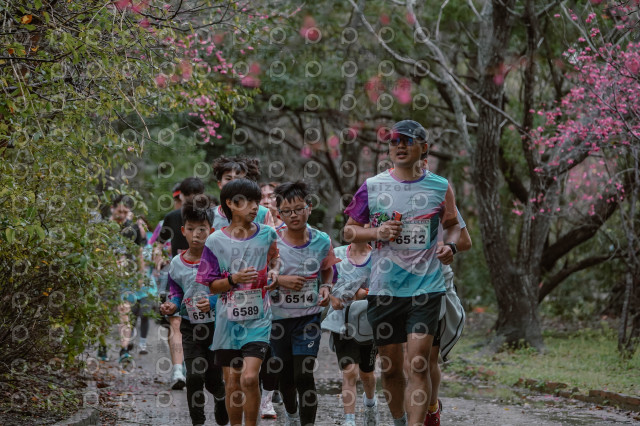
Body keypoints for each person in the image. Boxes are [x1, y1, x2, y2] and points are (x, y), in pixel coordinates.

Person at [343, 119, 461, 426]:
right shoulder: (372, 186)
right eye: (394, 141)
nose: (400, 146)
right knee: (391, 368)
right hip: (384, 290)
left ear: (424, 148)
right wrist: (377, 232)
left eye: (408, 141)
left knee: (418, 364)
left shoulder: (440, 186)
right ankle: (398, 420)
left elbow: (453, 226)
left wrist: (450, 246)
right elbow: (349, 232)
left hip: (426, 288)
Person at [196, 179, 280, 426]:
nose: (255, 207)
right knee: (232, 381)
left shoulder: (267, 234)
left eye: (257, 201)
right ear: (231, 204)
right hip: (227, 321)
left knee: (249, 378)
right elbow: (211, 285)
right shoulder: (214, 241)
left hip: (259, 319)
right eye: (248, 201)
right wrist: (234, 279)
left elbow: (275, 259)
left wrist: (275, 272)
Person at [268, 181, 339, 426]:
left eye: (299, 209)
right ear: (279, 214)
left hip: (308, 318)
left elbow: (328, 269)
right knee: (285, 375)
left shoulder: (322, 240)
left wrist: (326, 286)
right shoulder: (271, 240)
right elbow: (260, 275)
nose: (294, 215)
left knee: (304, 374)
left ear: (309, 207)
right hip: (278, 319)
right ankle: (292, 415)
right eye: (287, 211)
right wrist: (281, 280)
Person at [159, 199, 229, 426]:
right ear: (183, 231)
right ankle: (197, 421)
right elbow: (176, 292)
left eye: (202, 229)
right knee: (194, 376)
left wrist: (213, 301)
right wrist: (172, 305)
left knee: (213, 379)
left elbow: (228, 289)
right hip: (190, 327)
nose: (196, 234)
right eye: (191, 229)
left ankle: (221, 397)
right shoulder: (176, 263)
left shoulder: (219, 260)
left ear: (211, 231)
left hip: (216, 328)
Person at [155, 177, 211, 390]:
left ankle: (199, 366)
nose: (193, 200)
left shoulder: (209, 217)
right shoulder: (172, 217)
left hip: (204, 275)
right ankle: (178, 370)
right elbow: (159, 244)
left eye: (197, 196)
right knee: (176, 321)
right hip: (177, 274)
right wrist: (159, 260)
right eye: (189, 197)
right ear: (182, 196)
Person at [321, 238, 379, 426]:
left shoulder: (377, 257)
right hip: (341, 322)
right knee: (349, 370)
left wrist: (363, 293)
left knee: (367, 373)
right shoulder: (337, 254)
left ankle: (370, 404)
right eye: (352, 224)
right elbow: (326, 282)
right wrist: (332, 298)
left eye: (361, 225)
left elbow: (382, 289)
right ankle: (350, 420)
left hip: (367, 324)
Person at [423, 212, 472, 426]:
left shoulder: (440, 199)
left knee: (427, 359)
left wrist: (445, 248)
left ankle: (431, 408)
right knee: (405, 359)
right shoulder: (387, 197)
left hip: (433, 285)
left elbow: (465, 241)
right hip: (396, 285)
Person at [109, 195, 148, 363]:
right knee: (104, 313)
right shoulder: (104, 228)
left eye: (126, 212)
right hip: (105, 276)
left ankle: (124, 350)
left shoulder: (133, 228)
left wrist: (141, 274)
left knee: (124, 310)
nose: (123, 215)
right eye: (120, 211)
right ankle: (102, 347)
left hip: (126, 277)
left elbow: (139, 253)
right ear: (112, 208)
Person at [211, 156, 274, 229]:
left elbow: (270, 235)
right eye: (228, 179)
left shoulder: (263, 213)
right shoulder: (210, 215)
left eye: (238, 179)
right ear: (219, 184)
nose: (233, 183)